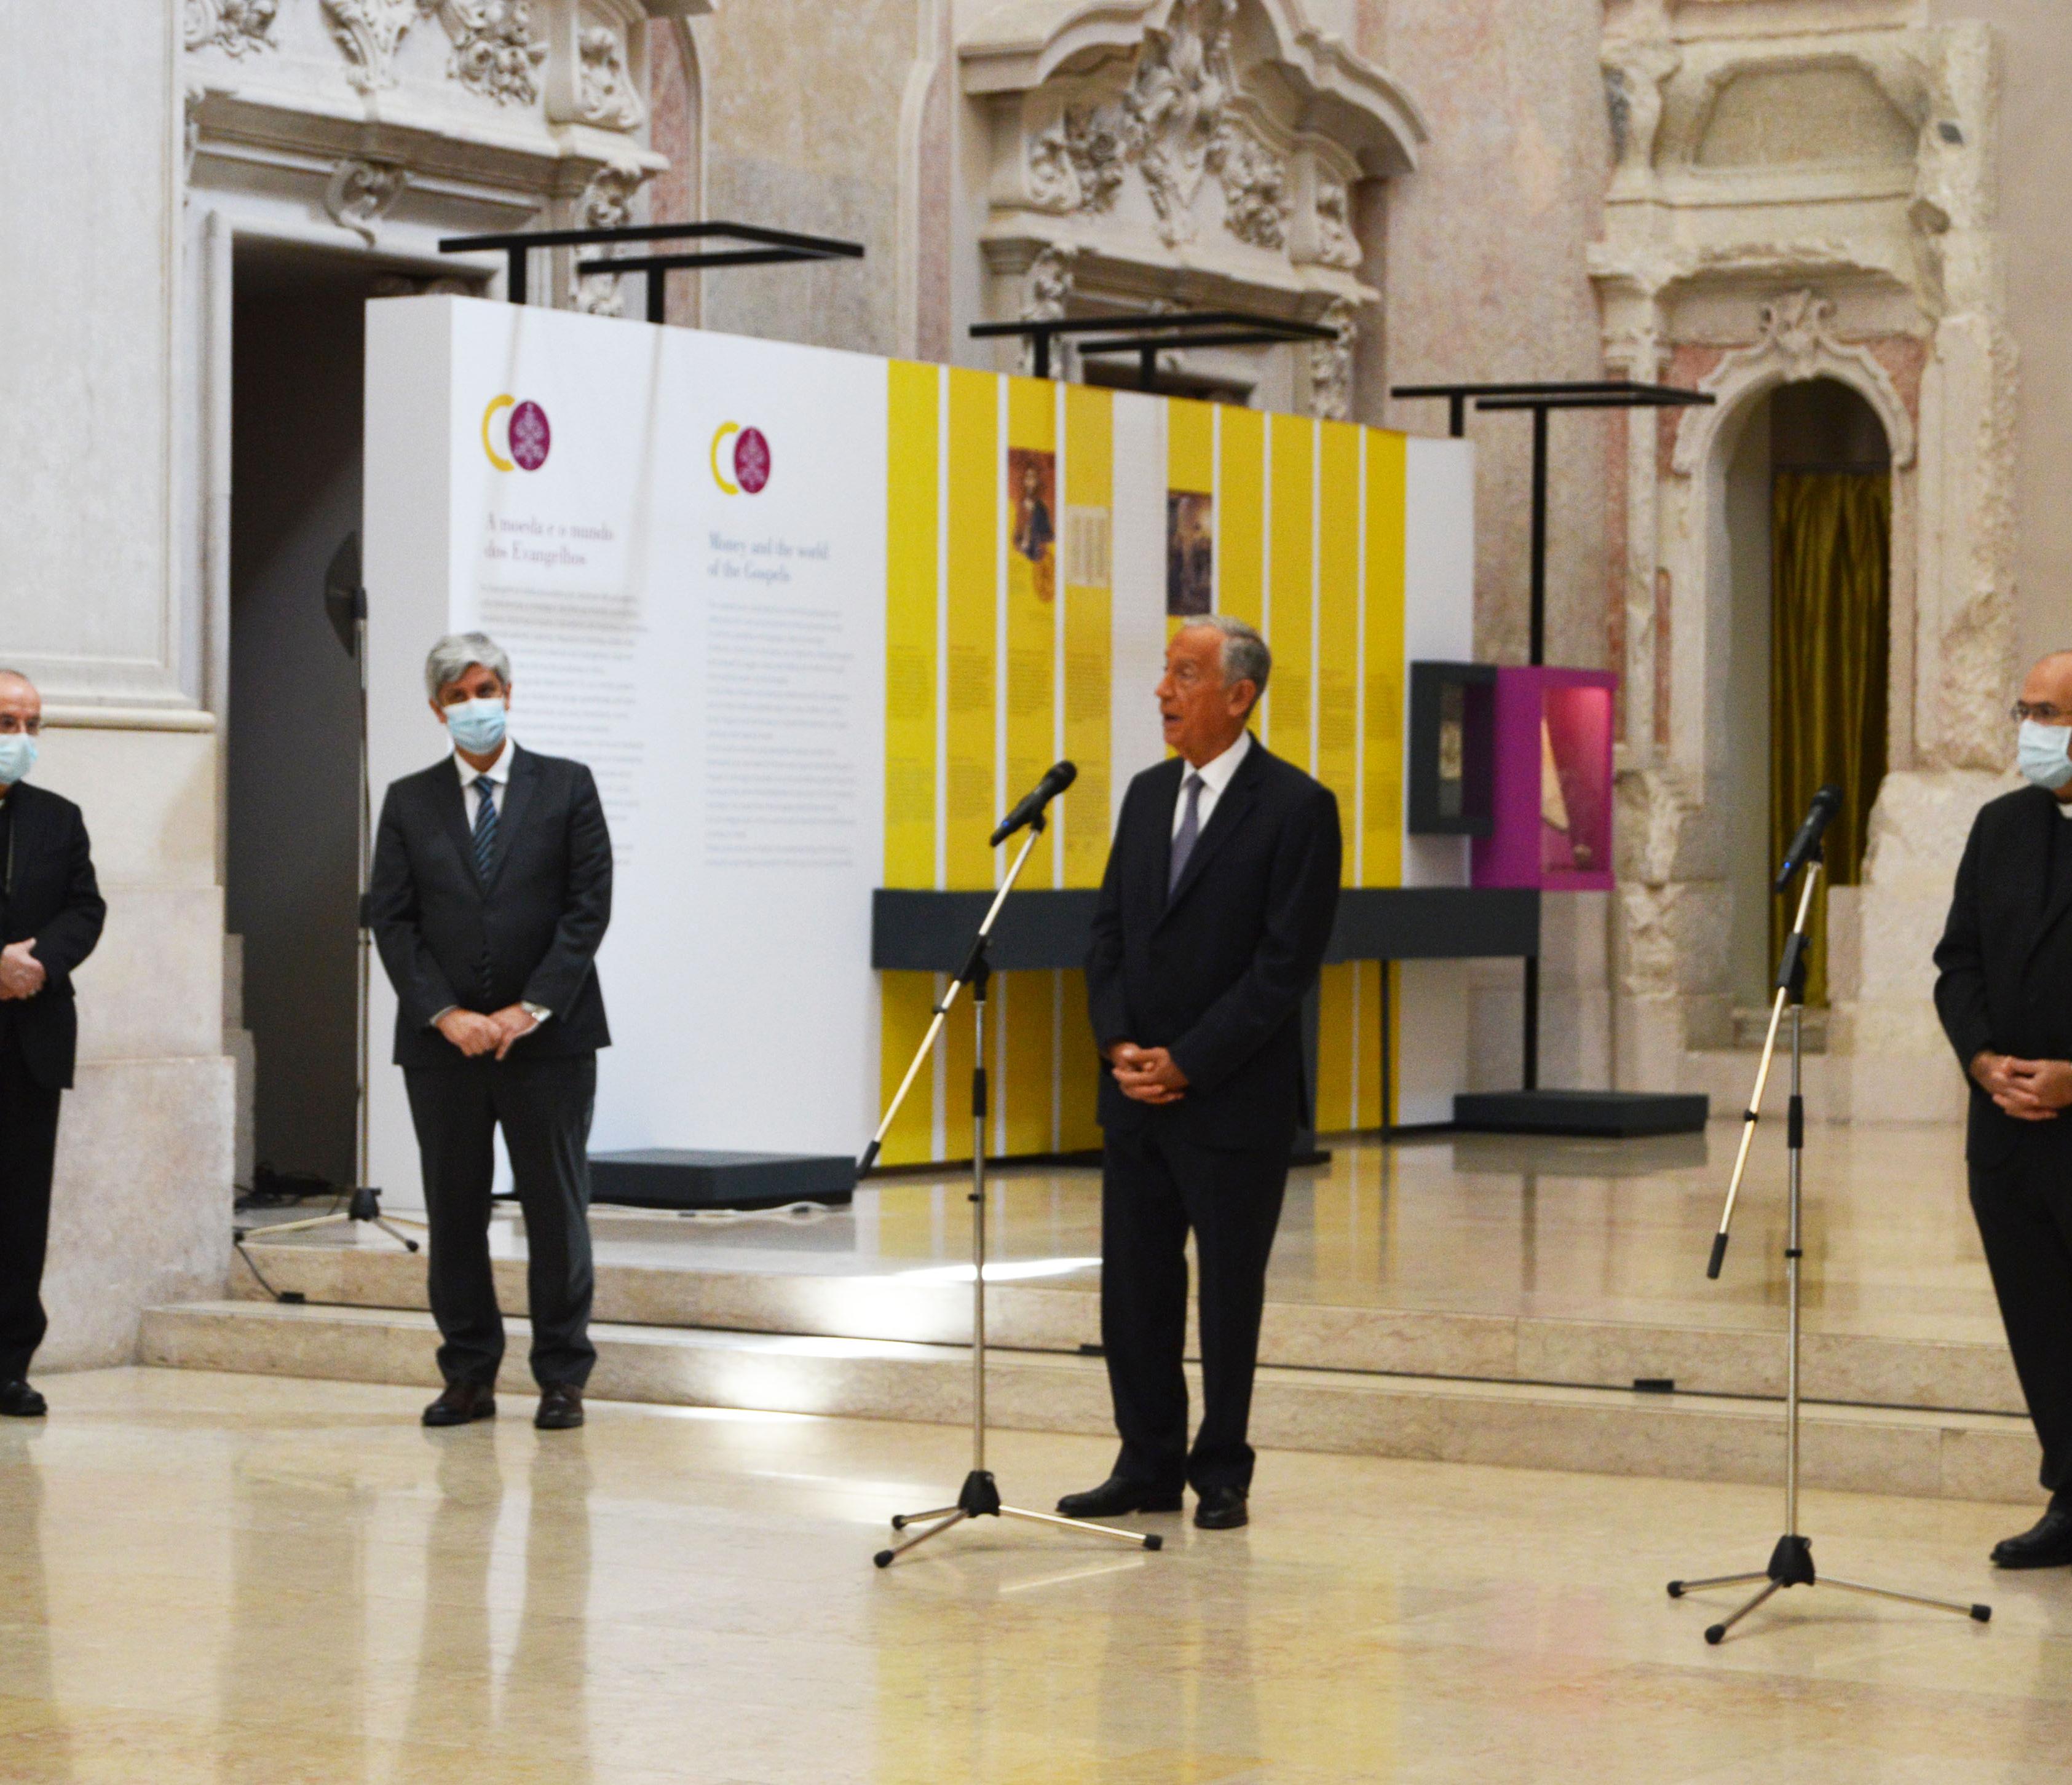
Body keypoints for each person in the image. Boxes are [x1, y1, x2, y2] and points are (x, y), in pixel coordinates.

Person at [1061, 615, 1342, 1530]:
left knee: (1227, 1292)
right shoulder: (1145, 796)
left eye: (1183, 674)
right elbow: (1106, 934)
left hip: (1232, 1101)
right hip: (1137, 1095)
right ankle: (1145, 1460)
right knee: (1133, 1290)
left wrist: (1189, 1061)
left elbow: (1283, 967)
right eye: (1164, 672)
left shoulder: (1297, 807)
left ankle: (1220, 1470)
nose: (1161, 691)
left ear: (1238, 695)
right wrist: (1119, 1048)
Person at [368, 634, 612, 1432]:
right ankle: (468, 1375)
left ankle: (562, 1377)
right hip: (445, 1049)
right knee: (454, 1209)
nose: (476, 705)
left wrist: (525, 1009)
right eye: (459, 695)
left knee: (556, 1209)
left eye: (487, 689)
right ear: (437, 709)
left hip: (550, 1042)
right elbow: (393, 920)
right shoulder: (408, 800)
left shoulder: (567, 787)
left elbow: (586, 910)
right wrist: (448, 1014)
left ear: (509, 692)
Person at [1935, 648, 2072, 1568]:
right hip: (2006, 1130)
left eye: (2049, 714)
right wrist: (1982, 1060)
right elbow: (1958, 961)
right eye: (2022, 710)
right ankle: (2070, 1491)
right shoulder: (2000, 826)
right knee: (2039, 1316)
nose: (2030, 731)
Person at [0, 669, 106, 1417]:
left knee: (20, 1204)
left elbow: (85, 907)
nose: (22, 740)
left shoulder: (59, 817)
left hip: (32, 1033)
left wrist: (40, 961)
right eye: (8, 723)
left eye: (34, 724)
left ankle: (9, 1364)